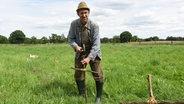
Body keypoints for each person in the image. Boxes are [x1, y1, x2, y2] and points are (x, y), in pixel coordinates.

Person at [67, 2, 104, 104]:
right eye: (81, 13)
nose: (84, 15)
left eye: (85, 12)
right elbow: (70, 38)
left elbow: (97, 45)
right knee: (78, 73)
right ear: (78, 13)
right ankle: (82, 95)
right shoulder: (74, 24)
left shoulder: (94, 26)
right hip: (80, 51)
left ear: (88, 13)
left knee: (97, 73)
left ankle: (99, 97)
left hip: (94, 52)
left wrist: (89, 58)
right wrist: (76, 46)